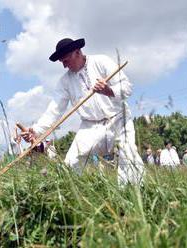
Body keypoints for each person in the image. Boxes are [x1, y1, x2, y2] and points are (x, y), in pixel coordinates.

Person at [21, 38, 144, 186]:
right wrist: (35, 130)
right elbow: (54, 109)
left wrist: (109, 90)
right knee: (71, 162)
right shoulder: (64, 82)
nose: (65, 66)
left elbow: (127, 87)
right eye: (62, 62)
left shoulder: (101, 61)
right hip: (90, 126)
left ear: (78, 52)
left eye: (66, 60)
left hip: (118, 118)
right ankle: (67, 196)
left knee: (128, 154)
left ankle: (133, 195)